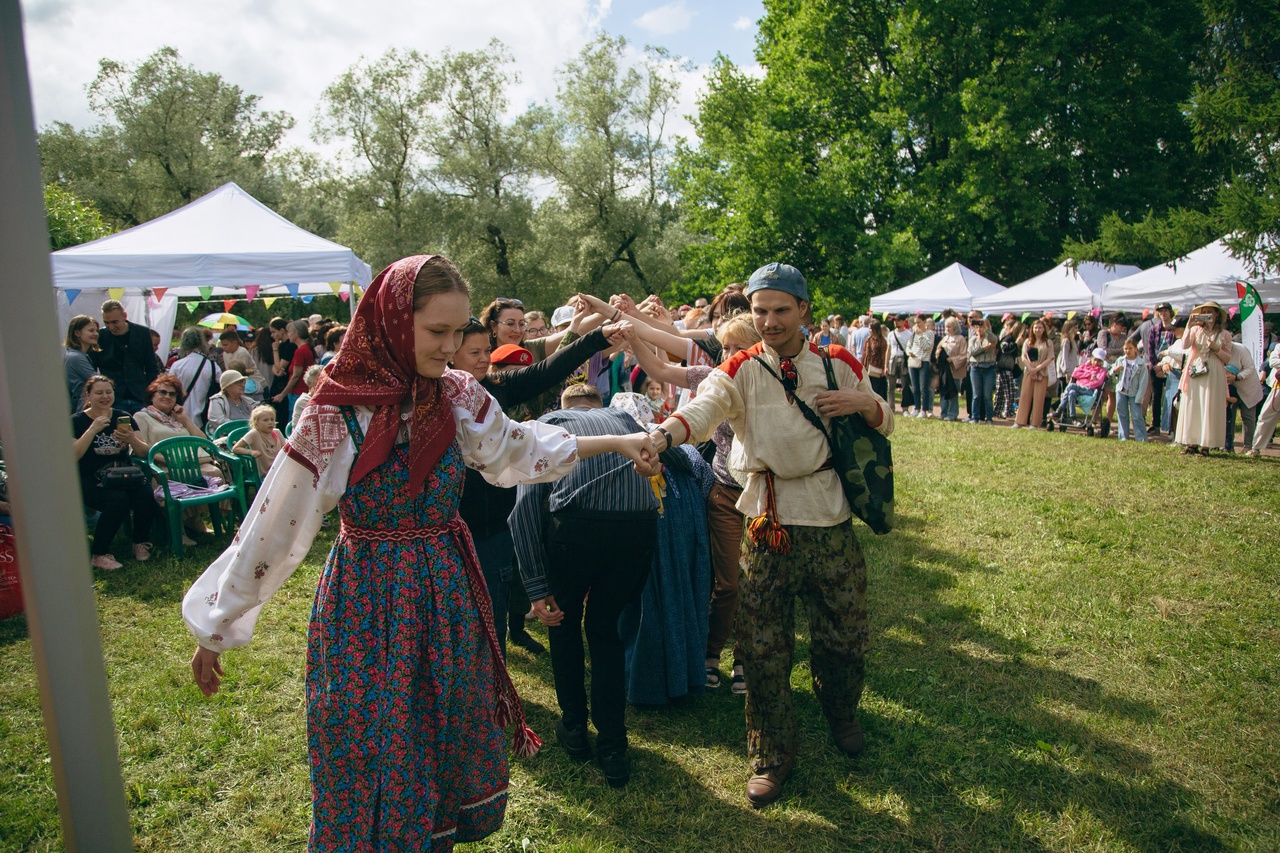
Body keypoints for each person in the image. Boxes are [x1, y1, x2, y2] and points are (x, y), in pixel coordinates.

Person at [184, 255, 657, 852]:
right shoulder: (337, 411)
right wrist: (217, 622)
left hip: (444, 589)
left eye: (459, 332)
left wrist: (620, 439)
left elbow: (519, 448)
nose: (452, 346)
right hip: (368, 597)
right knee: (369, 735)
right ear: (390, 322)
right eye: (438, 331)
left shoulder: (456, 394)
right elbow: (274, 525)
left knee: (442, 730)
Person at [643, 262, 893, 807]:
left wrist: (862, 404)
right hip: (766, 523)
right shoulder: (740, 366)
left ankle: (841, 710)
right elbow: (703, 410)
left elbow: (886, 418)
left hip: (829, 520)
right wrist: (661, 436)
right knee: (760, 647)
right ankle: (770, 754)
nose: (770, 321)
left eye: (781, 310)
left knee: (844, 638)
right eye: (760, 311)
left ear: (804, 310)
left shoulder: (837, 361)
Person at [510, 383, 661, 788]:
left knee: (561, 621)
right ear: (598, 407)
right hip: (638, 529)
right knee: (605, 630)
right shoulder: (626, 418)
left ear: (562, 409)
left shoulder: (545, 425)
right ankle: (613, 747)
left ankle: (574, 727)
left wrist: (537, 588)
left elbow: (523, 510)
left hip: (577, 530)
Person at [609, 392, 714, 707]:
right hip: (682, 545)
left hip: (648, 547)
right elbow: (706, 483)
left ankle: (646, 685)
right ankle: (684, 677)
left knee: (646, 613)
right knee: (680, 606)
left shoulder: (617, 456)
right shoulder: (684, 454)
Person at [72, 375, 158, 570]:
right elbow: (74, 455)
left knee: (145, 493)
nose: (105, 397)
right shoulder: (77, 421)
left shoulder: (123, 417)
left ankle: (140, 542)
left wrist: (131, 439)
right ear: (88, 395)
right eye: (99, 393)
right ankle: (99, 553)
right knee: (117, 500)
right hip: (91, 479)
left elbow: (144, 452)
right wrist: (92, 430)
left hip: (123, 474)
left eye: (108, 392)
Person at [1174, 302, 1232, 455]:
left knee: (1210, 404)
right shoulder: (1195, 330)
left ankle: (1206, 444)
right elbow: (1185, 345)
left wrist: (1216, 348)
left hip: (1214, 370)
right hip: (1196, 367)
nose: (1206, 314)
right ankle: (1191, 442)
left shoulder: (1224, 334)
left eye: (1209, 311)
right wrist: (1189, 324)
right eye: (1203, 311)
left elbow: (1228, 358)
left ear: (1216, 314)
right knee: (1193, 403)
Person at [96, 299, 160, 413]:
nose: (111, 327)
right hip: (113, 397)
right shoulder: (100, 336)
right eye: (106, 323)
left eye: (115, 322)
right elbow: (92, 366)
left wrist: (149, 391)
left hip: (139, 395)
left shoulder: (142, 332)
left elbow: (151, 367)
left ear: (125, 316)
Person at [169, 328, 222, 431]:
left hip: (180, 415)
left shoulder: (177, 365)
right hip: (204, 415)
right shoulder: (212, 366)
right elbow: (220, 385)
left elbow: (170, 387)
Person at [1141, 303, 1176, 435]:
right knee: (1156, 396)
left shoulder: (1174, 329)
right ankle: (1155, 424)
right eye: (1161, 311)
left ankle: (1170, 426)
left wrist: (1167, 364)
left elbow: (1176, 348)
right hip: (1155, 366)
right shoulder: (1154, 329)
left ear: (1170, 312)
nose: (1163, 314)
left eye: (1166, 311)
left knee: (1171, 396)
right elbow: (1149, 348)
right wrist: (1155, 365)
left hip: (1170, 366)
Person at [1224, 340, 1263, 453]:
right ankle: (1228, 446)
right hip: (1230, 388)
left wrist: (1237, 377)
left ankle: (1248, 446)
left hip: (1248, 387)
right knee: (1229, 416)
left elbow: (1250, 368)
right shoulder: (1217, 351)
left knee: (1248, 418)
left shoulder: (1241, 349)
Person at [1014, 319, 1053, 429]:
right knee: (1025, 396)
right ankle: (1020, 421)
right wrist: (1031, 369)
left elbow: (1050, 358)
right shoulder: (1028, 341)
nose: (1037, 330)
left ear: (1044, 329)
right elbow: (1023, 356)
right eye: (1035, 327)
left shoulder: (1048, 343)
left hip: (1042, 372)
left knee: (1038, 398)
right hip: (1029, 372)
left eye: (1040, 327)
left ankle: (1035, 423)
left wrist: (1037, 369)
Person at [1111, 338, 1149, 441]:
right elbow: (1111, 373)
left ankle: (1141, 438)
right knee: (1122, 413)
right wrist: (1115, 371)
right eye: (1125, 348)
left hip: (1134, 392)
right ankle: (1123, 436)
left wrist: (1139, 396)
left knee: (1137, 416)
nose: (1127, 351)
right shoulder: (1120, 360)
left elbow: (1143, 382)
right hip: (1121, 390)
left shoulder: (1141, 364)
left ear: (1136, 349)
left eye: (1130, 348)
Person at [274, 320, 316, 414]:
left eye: (289, 332)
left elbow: (296, 376)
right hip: (303, 390)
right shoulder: (306, 348)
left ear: (296, 334)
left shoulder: (300, 351)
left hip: (297, 392)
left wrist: (282, 394)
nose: (288, 334)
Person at [232, 404, 285, 477]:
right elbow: (236, 448)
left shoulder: (277, 432)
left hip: (280, 467)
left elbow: (286, 449)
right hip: (266, 472)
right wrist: (250, 452)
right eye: (265, 420)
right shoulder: (254, 434)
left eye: (272, 419)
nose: (270, 422)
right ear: (256, 422)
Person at [1248, 341, 1280, 457]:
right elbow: (1273, 362)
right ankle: (1256, 448)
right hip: (1278, 388)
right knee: (1265, 417)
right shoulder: (1278, 346)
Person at [64, 315, 101, 413]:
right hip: (81, 409)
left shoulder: (79, 355)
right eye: (91, 330)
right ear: (77, 333)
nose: (96, 334)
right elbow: (98, 382)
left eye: (96, 330)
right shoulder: (76, 358)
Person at [935, 317, 968, 421]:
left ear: (955, 327)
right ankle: (943, 412)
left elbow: (964, 355)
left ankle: (952, 414)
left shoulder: (960, 339)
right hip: (944, 371)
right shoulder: (945, 339)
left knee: (953, 392)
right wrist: (938, 354)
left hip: (954, 371)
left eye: (949, 326)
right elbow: (937, 350)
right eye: (946, 326)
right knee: (944, 391)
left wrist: (952, 359)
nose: (947, 328)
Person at [967, 313, 998, 424]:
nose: (979, 329)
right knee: (976, 395)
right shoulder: (973, 339)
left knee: (987, 395)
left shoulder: (989, 337)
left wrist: (986, 330)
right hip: (976, 367)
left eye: (981, 326)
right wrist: (984, 348)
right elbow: (972, 352)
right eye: (977, 327)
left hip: (989, 367)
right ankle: (975, 417)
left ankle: (989, 418)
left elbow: (994, 340)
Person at [217, 331, 261, 398]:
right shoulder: (225, 354)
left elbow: (240, 373)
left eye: (226, 345)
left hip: (253, 385)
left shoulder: (242, 352)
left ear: (235, 342)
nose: (223, 347)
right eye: (222, 345)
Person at [907, 314, 935, 417]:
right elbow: (908, 345)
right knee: (915, 387)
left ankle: (924, 409)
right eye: (915, 322)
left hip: (924, 361)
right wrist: (909, 352)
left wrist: (920, 335)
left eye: (919, 322)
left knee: (924, 387)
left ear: (924, 322)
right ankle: (916, 408)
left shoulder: (930, 333)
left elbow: (927, 347)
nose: (917, 325)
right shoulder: (913, 333)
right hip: (913, 361)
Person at [290, 365, 325, 434]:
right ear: (310, 383)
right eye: (320, 379)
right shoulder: (304, 401)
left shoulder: (323, 398)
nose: (323, 382)